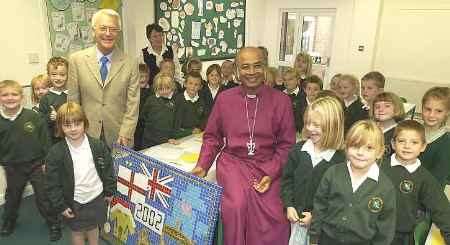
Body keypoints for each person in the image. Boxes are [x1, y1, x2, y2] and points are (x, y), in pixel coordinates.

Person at [192, 47, 296, 245]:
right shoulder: (224, 99)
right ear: (237, 70)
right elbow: (212, 137)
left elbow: (287, 145)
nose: (251, 72)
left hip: (268, 164)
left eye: (257, 66)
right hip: (234, 164)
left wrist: (271, 172)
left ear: (264, 68)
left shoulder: (281, 101)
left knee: (275, 214)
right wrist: (202, 165)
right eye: (245, 67)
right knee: (236, 206)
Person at [310, 120, 396, 245]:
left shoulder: (385, 187)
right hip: (327, 240)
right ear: (346, 146)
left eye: (369, 148)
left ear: (379, 152)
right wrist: (313, 238)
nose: (360, 153)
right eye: (355, 146)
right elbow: (319, 207)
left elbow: (386, 228)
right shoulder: (333, 173)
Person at [46, 102, 116, 245]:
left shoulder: (98, 146)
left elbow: (108, 170)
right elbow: (52, 183)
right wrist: (61, 205)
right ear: (60, 127)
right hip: (74, 200)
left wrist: (109, 191)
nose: (73, 129)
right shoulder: (55, 153)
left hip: (96, 197)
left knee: (94, 227)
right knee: (77, 231)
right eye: (67, 125)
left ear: (85, 123)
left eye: (77, 124)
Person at [67, 9, 139, 147]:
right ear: (94, 31)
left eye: (113, 29)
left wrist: (126, 133)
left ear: (118, 33)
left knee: (119, 169)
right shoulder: (77, 60)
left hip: (120, 136)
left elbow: (133, 105)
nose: (108, 33)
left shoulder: (131, 63)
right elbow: (73, 103)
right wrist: (75, 131)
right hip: (85, 134)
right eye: (103, 28)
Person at [0, 80, 61, 240]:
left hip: (36, 165)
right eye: (5, 95)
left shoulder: (32, 116)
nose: (10, 98)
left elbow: (45, 140)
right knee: (13, 197)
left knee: (43, 196)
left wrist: (46, 162)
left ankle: (54, 223)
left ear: (22, 97)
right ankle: (9, 221)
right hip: (13, 167)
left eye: (14, 94)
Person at [280, 96, 345, 244]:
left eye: (316, 125)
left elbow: (338, 198)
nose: (310, 128)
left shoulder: (340, 161)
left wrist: (315, 216)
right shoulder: (298, 150)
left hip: (323, 227)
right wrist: (288, 205)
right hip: (296, 221)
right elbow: (287, 181)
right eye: (308, 123)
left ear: (332, 126)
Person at [380, 120, 450, 245]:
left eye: (414, 142)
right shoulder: (378, 168)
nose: (407, 146)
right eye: (402, 141)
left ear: (423, 146)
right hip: (370, 231)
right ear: (393, 144)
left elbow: (442, 210)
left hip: (400, 237)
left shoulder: (425, 178)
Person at [415, 86, 450, 245]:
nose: (431, 115)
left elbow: (437, 182)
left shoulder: (446, 142)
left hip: (423, 205)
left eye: (438, 111)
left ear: (447, 113)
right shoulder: (413, 132)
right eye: (427, 109)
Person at [142, 73, 178, 148]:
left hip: (167, 140)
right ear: (156, 88)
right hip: (150, 140)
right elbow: (143, 117)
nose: (165, 91)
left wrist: (172, 137)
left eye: (167, 88)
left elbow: (175, 121)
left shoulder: (175, 101)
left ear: (172, 87)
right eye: (161, 89)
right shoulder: (151, 100)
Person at [39, 57, 69, 144]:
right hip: (55, 140)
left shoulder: (72, 94)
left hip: (73, 136)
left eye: (62, 75)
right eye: (54, 74)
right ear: (48, 75)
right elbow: (41, 121)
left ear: (68, 75)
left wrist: (59, 117)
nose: (58, 78)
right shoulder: (45, 98)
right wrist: (49, 117)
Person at [141, 23, 180, 87]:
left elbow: (177, 72)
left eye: (161, 35)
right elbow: (142, 75)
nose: (159, 38)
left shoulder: (171, 50)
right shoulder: (143, 54)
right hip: (152, 90)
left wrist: (179, 86)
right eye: (155, 36)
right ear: (149, 38)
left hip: (170, 89)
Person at [173, 72, 209, 137]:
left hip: (196, 134)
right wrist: (190, 131)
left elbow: (205, 118)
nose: (193, 87)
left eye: (196, 84)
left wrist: (200, 128)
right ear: (185, 84)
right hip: (181, 135)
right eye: (190, 83)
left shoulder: (201, 100)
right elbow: (175, 126)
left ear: (200, 87)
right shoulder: (178, 100)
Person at [371, 92, 405, 156]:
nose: (381, 109)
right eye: (377, 107)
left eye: (387, 106)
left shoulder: (400, 132)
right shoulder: (370, 128)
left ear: (397, 108)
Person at [133, 63, 152, 150]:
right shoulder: (132, 90)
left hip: (146, 126)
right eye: (140, 76)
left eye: (146, 76)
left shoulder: (151, 91)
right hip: (134, 125)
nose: (143, 79)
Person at [282, 67, 304, 132]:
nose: (287, 82)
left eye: (290, 79)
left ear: (298, 80)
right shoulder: (279, 94)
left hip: (297, 131)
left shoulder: (303, 96)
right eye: (285, 80)